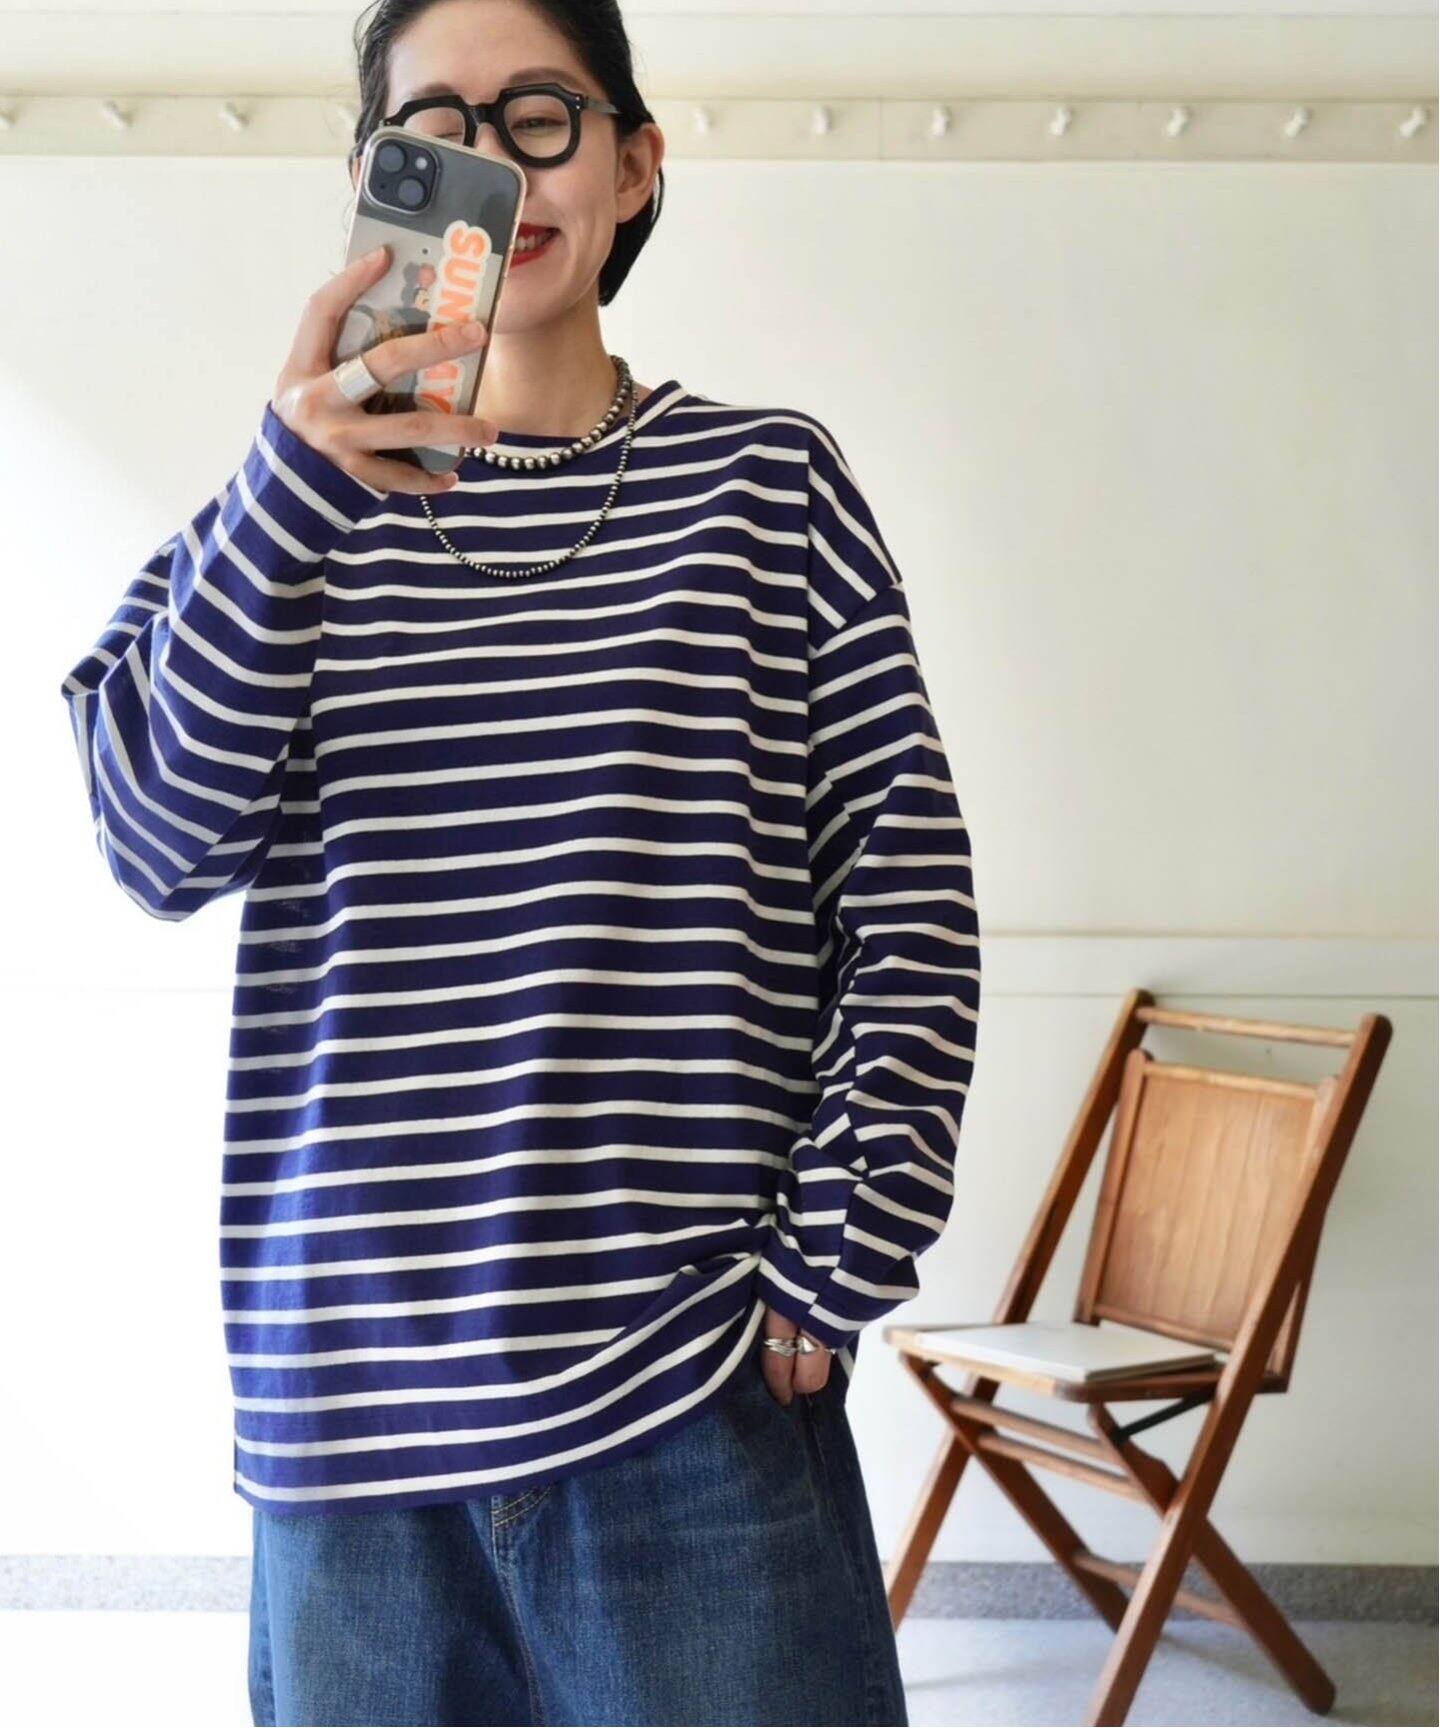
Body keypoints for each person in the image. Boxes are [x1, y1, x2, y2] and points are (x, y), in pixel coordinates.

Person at [57, 1, 981, 1722]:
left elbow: (906, 896)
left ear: (634, 165)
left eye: (541, 116)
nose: (492, 168)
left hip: (693, 1403)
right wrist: (287, 494)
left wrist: (839, 1250)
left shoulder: (768, 490)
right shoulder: (272, 523)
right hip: (348, 1440)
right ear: (369, 182)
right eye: (436, 131)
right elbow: (157, 844)